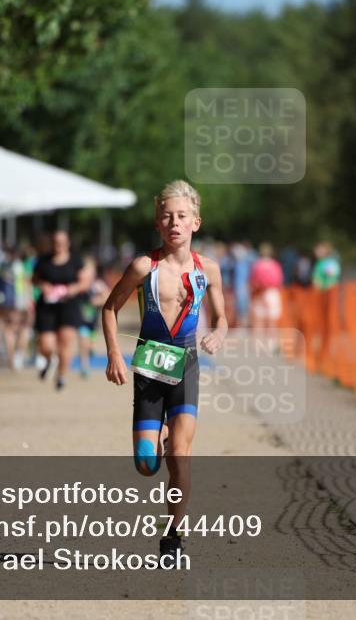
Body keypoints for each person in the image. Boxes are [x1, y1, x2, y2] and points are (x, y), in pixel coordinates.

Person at [101, 179, 227, 566]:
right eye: (167, 216)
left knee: (181, 456)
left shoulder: (209, 269)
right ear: (158, 223)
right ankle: (162, 434)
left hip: (186, 364)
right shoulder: (144, 266)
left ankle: (172, 535)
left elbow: (222, 318)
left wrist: (219, 334)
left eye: (182, 216)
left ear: (195, 223)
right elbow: (109, 308)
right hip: (150, 367)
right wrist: (114, 355)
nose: (174, 222)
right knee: (145, 464)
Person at [33, 230, 90, 391]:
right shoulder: (43, 260)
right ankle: (50, 359)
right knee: (45, 344)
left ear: (67, 244)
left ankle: (62, 376)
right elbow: (34, 279)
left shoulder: (75, 260)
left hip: (68, 306)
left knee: (65, 342)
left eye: (62, 242)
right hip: (47, 307)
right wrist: (43, 285)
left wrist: (75, 288)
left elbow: (85, 281)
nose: (58, 245)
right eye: (56, 242)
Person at [76, 256, 111, 379]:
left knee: (89, 344)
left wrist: (95, 301)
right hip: (80, 319)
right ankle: (84, 366)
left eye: (89, 270)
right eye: (84, 269)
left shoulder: (97, 284)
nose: (86, 272)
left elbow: (107, 297)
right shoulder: (78, 283)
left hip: (93, 321)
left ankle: (90, 349)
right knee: (82, 341)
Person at [249, 242, 284, 330]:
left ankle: (259, 340)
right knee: (272, 318)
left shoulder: (257, 264)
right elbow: (279, 280)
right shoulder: (275, 264)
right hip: (271, 291)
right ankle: (270, 339)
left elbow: (253, 280)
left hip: (259, 292)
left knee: (259, 318)